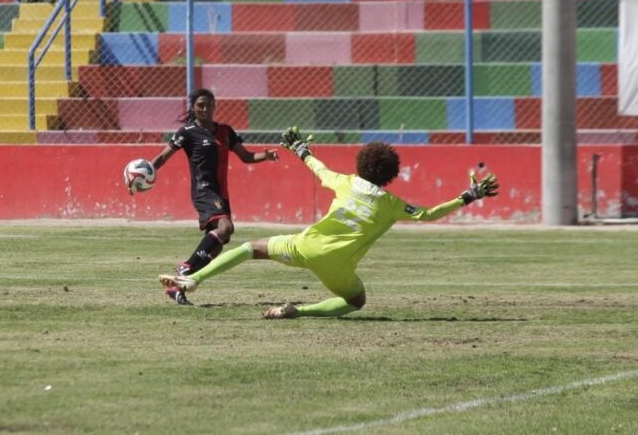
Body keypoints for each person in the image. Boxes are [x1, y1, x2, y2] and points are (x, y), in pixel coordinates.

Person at [160, 127, 500, 319]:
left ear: (363, 164)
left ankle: (195, 279)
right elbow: (429, 214)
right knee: (356, 301)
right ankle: (300, 311)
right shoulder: (393, 204)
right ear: (389, 176)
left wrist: (301, 149)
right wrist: (467, 197)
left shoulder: (346, 181)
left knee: (251, 248)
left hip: (305, 246)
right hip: (336, 268)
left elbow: (318, 168)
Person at [144, 88, 279, 305]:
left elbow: (245, 156)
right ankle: (185, 267)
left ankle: (176, 287)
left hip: (221, 194)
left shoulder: (225, 131)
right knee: (226, 228)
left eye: (209, 104)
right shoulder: (187, 132)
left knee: (214, 249)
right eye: (200, 105)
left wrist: (266, 155)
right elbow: (163, 156)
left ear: (216, 105)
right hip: (204, 191)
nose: (205, 109)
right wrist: (145, 171)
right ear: (193, 108)